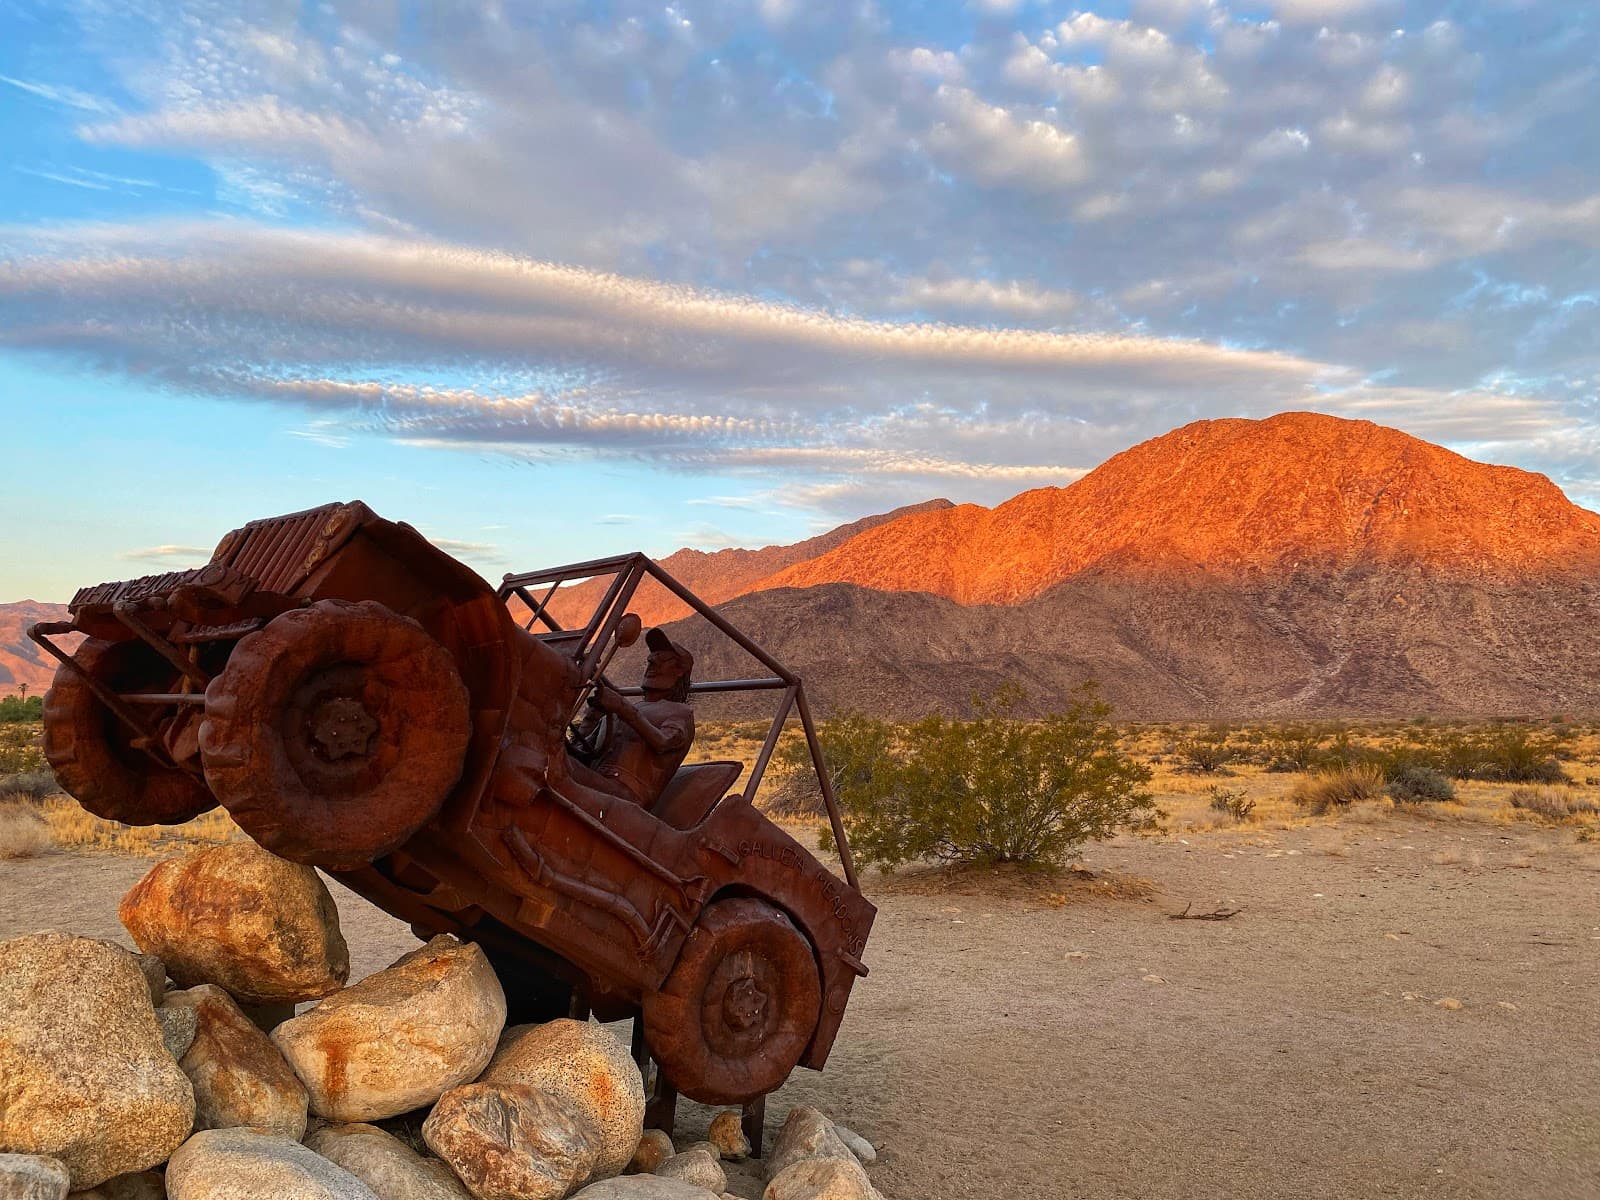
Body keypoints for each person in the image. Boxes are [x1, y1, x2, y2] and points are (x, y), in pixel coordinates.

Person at [564, 627, 695, 808]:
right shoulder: (630, 709)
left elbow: (664, 742)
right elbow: (583, 751)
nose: (651, 662)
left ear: (680, 670)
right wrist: (592, 718)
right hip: (596, 780)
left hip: (625, 796)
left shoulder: (679, 712)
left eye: (662, 659)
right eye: (651, 658)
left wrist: (621, 707)